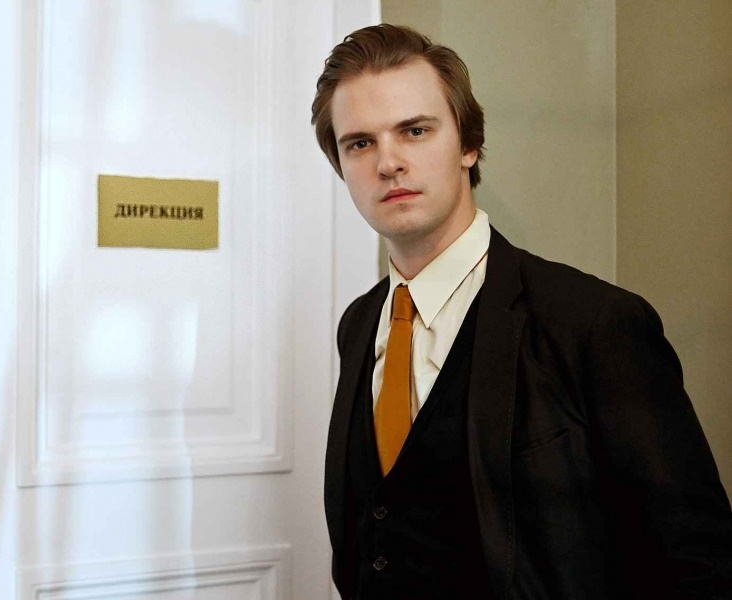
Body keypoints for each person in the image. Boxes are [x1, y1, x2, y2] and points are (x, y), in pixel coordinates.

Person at [312, 23, 732, 600]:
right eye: (360, 143)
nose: (388, 163)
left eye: (415, 130)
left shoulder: (595, 323)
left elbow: (696, 560)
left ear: (468, 145)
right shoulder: (359, 324)